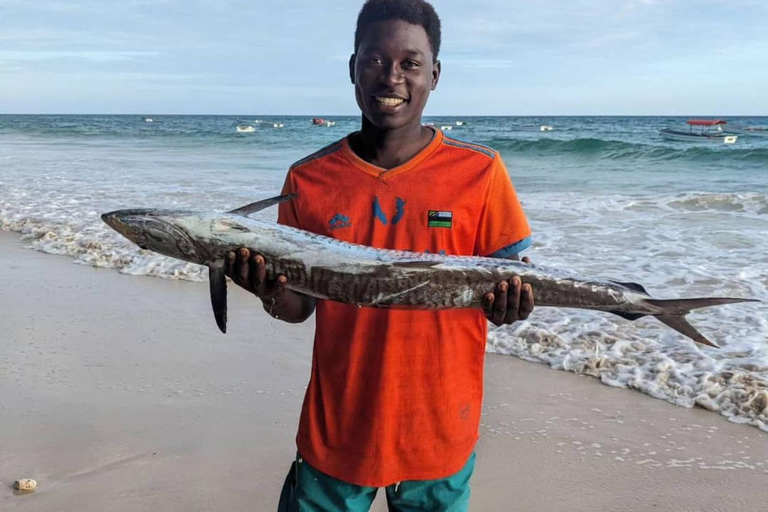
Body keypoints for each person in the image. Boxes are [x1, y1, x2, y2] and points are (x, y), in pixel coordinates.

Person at [225, 1, 534, 510]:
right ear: (352, 67)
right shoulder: (309, 178)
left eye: (410, 63)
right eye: (374, 60)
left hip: (440, 430)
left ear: (434, 75)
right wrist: (266, 290)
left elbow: (507, 287)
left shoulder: (481, 172)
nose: (391, 77)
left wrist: (511, 309)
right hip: (339, 430)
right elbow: (298, 308)